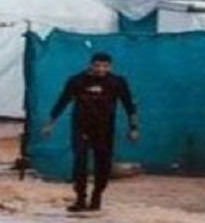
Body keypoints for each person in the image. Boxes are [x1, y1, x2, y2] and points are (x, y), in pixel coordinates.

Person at [41, 52, 139, 212]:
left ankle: (97, 196)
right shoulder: (77, 81)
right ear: (91, 65)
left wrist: (133, 127)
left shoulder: (117, 82)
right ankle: (80, 198)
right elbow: (63, 101)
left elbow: (129, 105)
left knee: (103, 163)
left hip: (104, 129)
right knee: (80, 162)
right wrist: (50, 123)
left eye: (105, 66)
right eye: (97, 65)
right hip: (81, 127)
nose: (101, 69)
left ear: (110, 67)